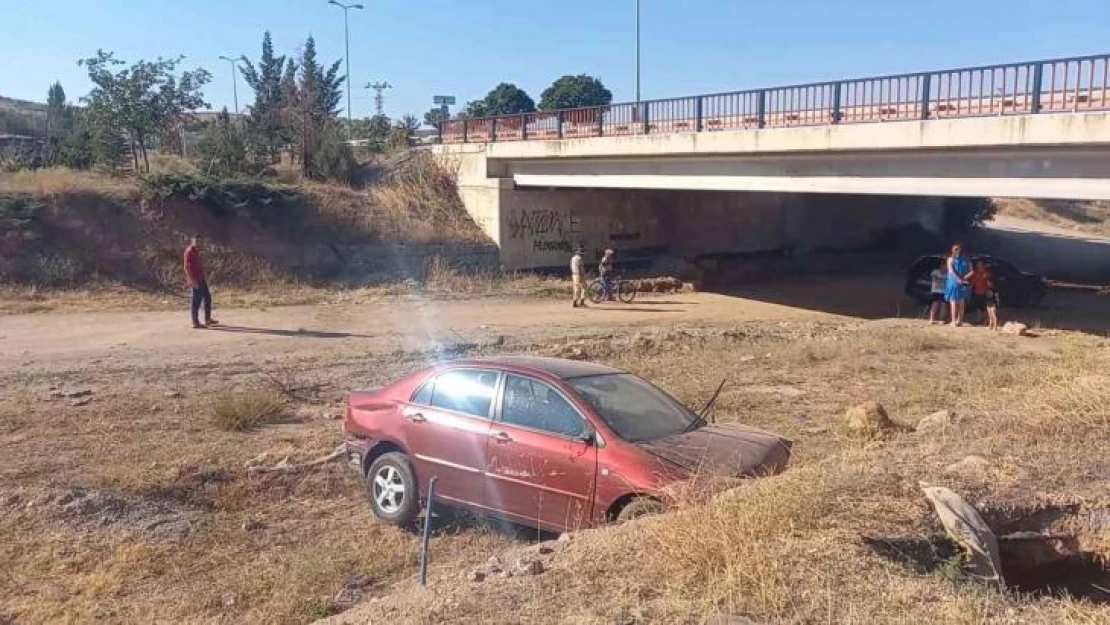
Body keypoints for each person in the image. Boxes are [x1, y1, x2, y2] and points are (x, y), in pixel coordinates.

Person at [184, 235, 218, 329]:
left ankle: (207, 319)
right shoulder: (189, 251)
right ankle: (195, 322)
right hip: (195, 279)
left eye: (200, 242)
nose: (199, 243)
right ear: (192, 241)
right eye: (197, 241)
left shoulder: (197, 251)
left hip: (201, 278)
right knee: (196, 300)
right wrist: (191, 280)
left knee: (207, 297)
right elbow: (186, 267)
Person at [944, 243, 973, 327]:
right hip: (957, 281)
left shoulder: (952, 259)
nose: (957, 250)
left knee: (957, 301)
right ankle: (958, 321)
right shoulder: (961, 259)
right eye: (957, 249)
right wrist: (962, 279)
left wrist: (960, 280)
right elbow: (951, 271)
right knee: (959, 301)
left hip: (954, 281)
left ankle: (956, 321)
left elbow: (951, 271)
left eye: (958, 249)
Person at [970, 260, 1000, 330]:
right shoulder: (975, 272)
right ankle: (980, 321)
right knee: (979, 307)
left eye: (980, 264)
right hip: (977, 292)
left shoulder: (987, 273)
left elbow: (991, 282)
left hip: (986, 293)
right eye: (977, 264)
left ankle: (991, 323)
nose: (979, 265)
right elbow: (972, 282)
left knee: (989, 310)